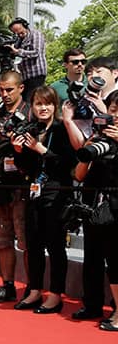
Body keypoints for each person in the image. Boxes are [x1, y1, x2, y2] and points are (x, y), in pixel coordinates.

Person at [12, 86, 77, 314]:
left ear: (54, 106)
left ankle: (56, 294)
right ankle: (35, 290)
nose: (43, 108)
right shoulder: (32, 129)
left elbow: (68, 164)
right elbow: (25, 168)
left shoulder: (60, 130)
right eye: (39, 104)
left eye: (47, 104)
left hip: (57, 193)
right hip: (34, 193)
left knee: (56, 245)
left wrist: (41, 150)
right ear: (32, 106)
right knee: (34, 244)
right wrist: (18, 151)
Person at [0, 71, 31, 304]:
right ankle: (8, 285)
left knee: (27, 240)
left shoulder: (31, 111)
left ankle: (33, 289)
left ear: (21, 88)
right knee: (1, 240)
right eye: (1, 90)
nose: (4, 94)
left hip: (24, 184)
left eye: (9, 89)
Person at [73, 89, 118, 326]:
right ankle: (91, 304)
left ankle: (117, 310)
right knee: (92, 257)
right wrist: (88, 149)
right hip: (94, 206)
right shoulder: (98, 139)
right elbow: (79, 175)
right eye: (112, 110)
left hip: (115, 207)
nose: (116, 115)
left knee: (115, 259)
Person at [8, 17, 47, 102]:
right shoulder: (19, 40)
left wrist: (18, 51)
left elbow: (36, 52)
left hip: (36, 74)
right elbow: (14, 55)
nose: (19, 34)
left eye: (20, 30)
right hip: (24, 77)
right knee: (23, 101)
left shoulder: (36, 34)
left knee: (31, 100)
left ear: (25, 26)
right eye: (15, 32)